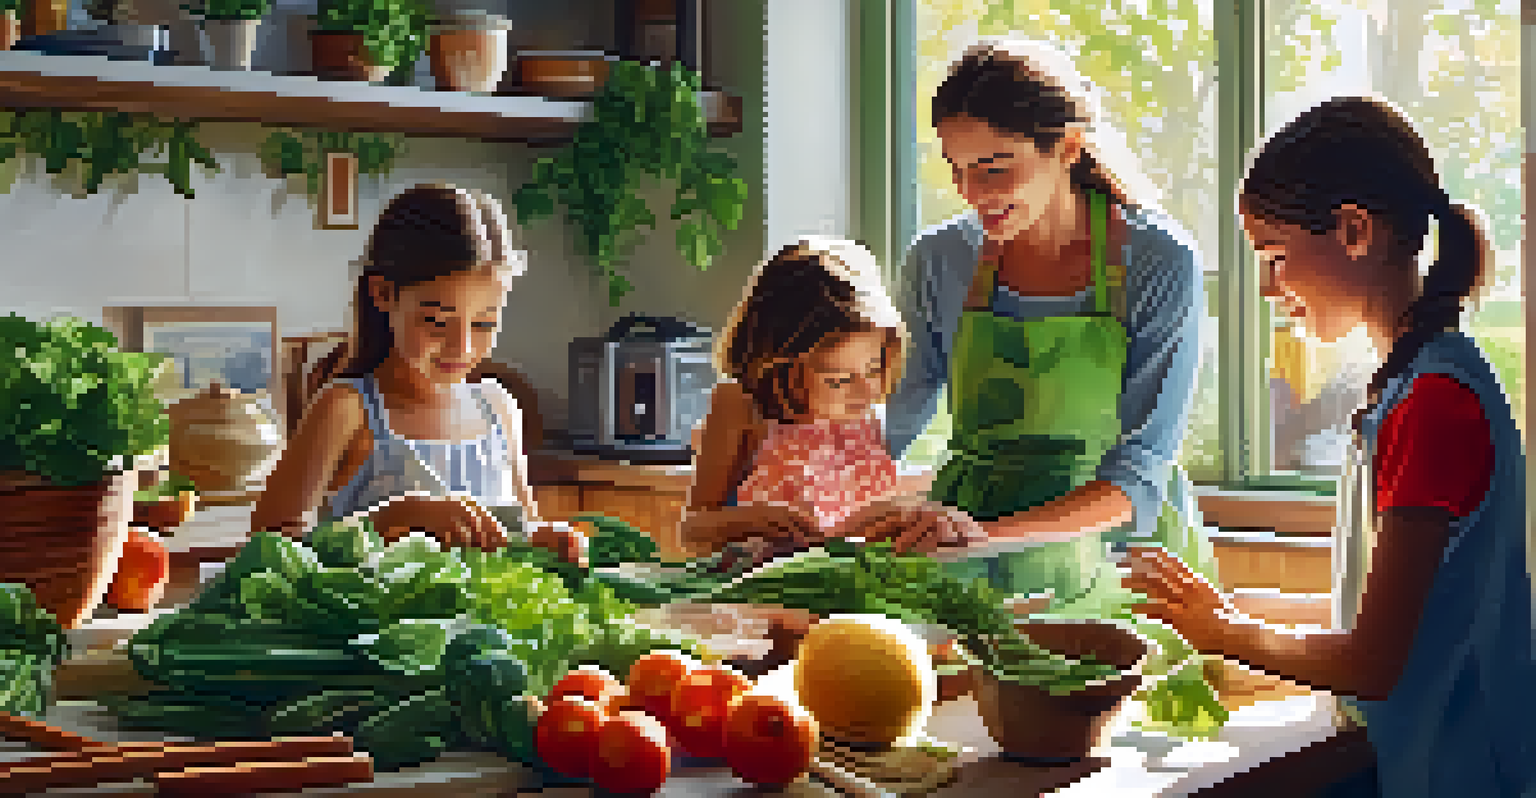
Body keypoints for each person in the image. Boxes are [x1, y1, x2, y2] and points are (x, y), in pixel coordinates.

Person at [1125, 96, 1533, 798]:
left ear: (1353, 230)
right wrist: (1227, 612)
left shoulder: (1434, 404)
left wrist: (1228, 633)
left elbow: (1373, 662)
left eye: (1276, 257)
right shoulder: (1416, 381)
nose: (1266, 287)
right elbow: (1388, 614)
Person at [873, 38, 1220, 617]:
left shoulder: (1161, 261)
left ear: (1067, 148)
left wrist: (990, 538)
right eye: (957, 171)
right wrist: (804, 501)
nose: (972, 194)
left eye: (994, 168)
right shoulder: (938, 260)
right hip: (966, 551)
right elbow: (893, 418)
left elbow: (1140, 469)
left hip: (1116, 555)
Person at [251, 183, 583, 564]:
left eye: (484, 324)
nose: (463, 347)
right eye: (437, 322)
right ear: (383, 295)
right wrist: (393, 519)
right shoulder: (346, 408)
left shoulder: (498, 407)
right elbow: (268, 547)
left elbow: (523, 530)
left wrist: (551, 539)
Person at [678, 236, 985, 560]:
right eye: (839, 380)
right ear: (781, 361)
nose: (868, 392)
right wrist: (751, 520)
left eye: (873, 369)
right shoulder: (742, 403)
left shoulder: (865, 415)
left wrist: (918, 515)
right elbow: (693, 529)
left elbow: (859, 518)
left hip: (852, 591)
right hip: (767, 591)